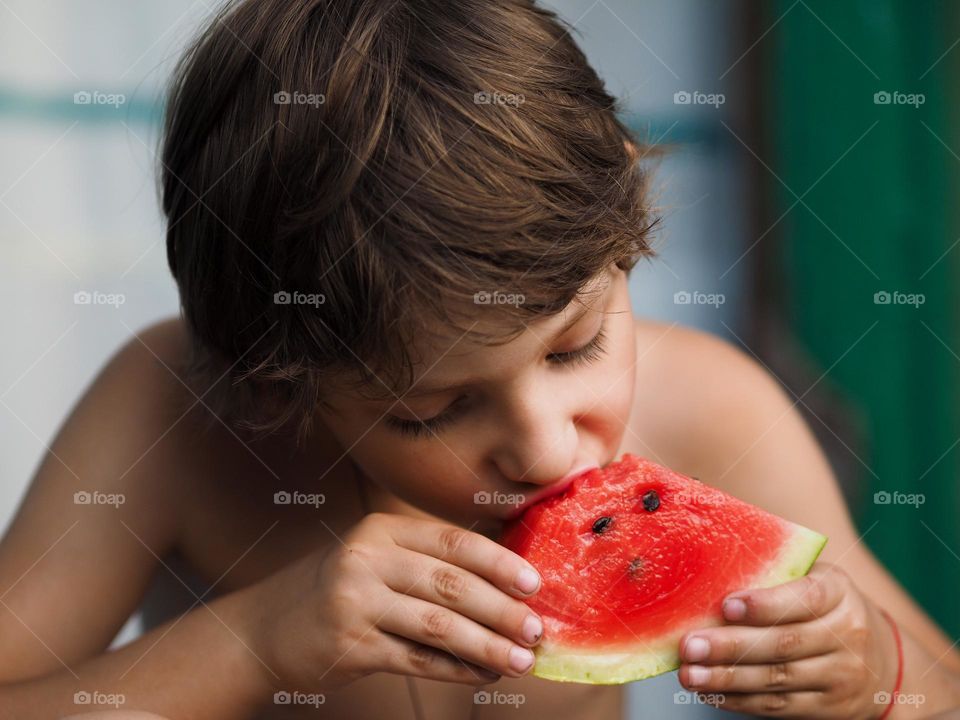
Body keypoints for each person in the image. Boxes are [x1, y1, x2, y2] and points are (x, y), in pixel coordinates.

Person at [1, 0, 959, 717]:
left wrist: (881, 675)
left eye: (578, 345)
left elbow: (940, 685)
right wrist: (257, 640)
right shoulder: (170, 416)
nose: (545, 450)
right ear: (269, 380)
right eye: (432, 410)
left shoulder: (709, 408)